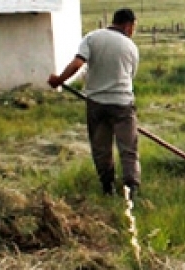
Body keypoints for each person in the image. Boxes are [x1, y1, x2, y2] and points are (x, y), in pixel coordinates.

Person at [48, 8, 141, 200]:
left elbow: (77, 64)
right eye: (133, 27)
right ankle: (131, 190)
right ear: (128, 25)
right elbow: (130, 77)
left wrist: (59, 80)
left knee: (101, 148)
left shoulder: (92, 38)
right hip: (123, 104)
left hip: (96, 103)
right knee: (128, 149)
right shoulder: (131, 47)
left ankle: (107, 188)